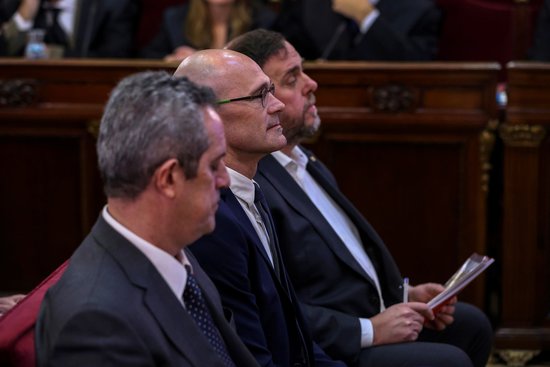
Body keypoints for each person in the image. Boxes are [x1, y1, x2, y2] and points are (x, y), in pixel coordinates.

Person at [227, 29, 494, 367]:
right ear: (260, 100)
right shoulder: (257, 181)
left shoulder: (307, 161)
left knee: (471, 325)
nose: (312, 85)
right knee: (448, 360)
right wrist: (369, 329)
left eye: (304, 71)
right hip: (331, 344)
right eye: (292, 79)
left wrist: (401, 294)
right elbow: (280, 304)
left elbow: (345, 264)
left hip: (366, 314)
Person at [35, 70, 260, 367]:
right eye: (215, 165)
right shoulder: (96, 324)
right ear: (167, 179)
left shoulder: (179, 255)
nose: (225, 180)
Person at [174, 49, 345, 367]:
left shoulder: (252, 190)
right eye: (259, 96)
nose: (277, 104)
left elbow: (296, 335)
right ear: (205, 115)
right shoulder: (214, 221)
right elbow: (252, 355)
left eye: (271, 90)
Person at [273, 0, 441, 61]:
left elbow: (416, 63)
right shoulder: (305, 4)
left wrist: (367, 18)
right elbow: (280, 52)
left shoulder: (421, 9)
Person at [140, 0, 275, 61]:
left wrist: (198, 59)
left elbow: (267, 61)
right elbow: (149, 56)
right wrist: (170, 59)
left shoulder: (263, 19)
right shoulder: (176, 18)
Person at [1, 0, 139, 57]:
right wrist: (24, 17)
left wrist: (58, 55)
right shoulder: (14, 4)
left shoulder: (113, 5)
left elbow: (115, 59)